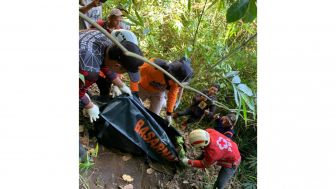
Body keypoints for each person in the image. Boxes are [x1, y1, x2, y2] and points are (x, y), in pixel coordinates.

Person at [79, 30, 143, 123]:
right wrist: (89, 106)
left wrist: (121, 85)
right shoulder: (89, 70)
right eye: (125, 72)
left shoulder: (107, 39)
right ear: (117, 66)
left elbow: (106, 63)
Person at [131, 57, 193, 124]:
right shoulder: (153, 66)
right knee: (133, 104)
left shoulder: (176, 82)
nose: (175, 84)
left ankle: (144, 126)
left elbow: (172, 95)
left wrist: (169, 114)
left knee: (154, 116)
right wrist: (134, 92)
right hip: (143, 87)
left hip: (158, 93)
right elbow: (135, 72)